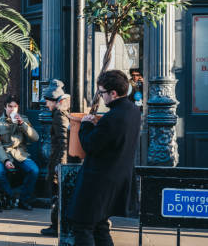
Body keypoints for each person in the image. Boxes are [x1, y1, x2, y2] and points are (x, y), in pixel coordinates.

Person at [68, 70, 141, 245]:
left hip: (99, 180)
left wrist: (85, 125)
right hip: (119, 178)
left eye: (102, 93)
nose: (101, 97)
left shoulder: (113, 117)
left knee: (82, 225)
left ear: (113, 93)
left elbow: (90, 145)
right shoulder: (133, 111)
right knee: (100, 226)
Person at [0, 94, 39, 210]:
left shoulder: (24, 120)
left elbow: (35, 138)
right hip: (5, 155)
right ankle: (9, 197)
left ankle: (24, 200)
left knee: (34, 170)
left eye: (15, 107)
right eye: (10, 106)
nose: (12, 109)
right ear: (5, 107)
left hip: (20, 155)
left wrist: (22, 124)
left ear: (18, 108)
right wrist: (5, 160)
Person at [40, 79, 69, 237]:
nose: (46, 105)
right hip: (59, 160)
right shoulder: (61, 112)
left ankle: (55, 226)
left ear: (53, 100)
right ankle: (56, 225)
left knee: (57, 196)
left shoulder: (59, 115)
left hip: (59, 161)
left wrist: (61, 166)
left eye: (47, 101)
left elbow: (64, 141)